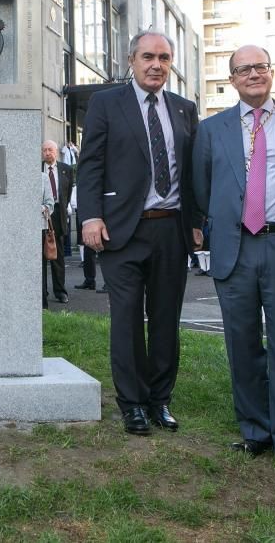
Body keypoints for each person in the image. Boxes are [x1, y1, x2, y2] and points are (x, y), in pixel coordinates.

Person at [192, 44, 275, 479]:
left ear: (272, 72)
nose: (253, 74)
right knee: (242, 345)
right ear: (231, 80)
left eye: (260, 67)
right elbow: (201, 188)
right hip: (236, 248)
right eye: (243, 69)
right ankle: (255, 430)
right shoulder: (211, 130)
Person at [79, 31, 203, 436]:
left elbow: (193, 172)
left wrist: (198, 223)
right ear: (131, 60)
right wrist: (90, 216)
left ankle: (159, 400)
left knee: (166, 319)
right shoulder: (106, 103)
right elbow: (91, 164)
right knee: (128, 318)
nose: (157, 65)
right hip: (121, 230)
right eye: (148, 56)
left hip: (171, 229)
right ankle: (132, 403)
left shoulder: (185, 109)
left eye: (165, 58)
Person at [42, 140, 73, 304]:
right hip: (41, 216)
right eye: (45, 150)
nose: (47, 153)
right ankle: (42, 293)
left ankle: (60, 292)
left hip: (58, 216)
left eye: (50, 150)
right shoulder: (36, 169)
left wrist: (61, 210)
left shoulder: (66, 170)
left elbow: (67, 194)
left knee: (58, 256)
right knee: (41, 256)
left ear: (56, 152)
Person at [41, 171, 56, 308]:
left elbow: (50, 204)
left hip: (39, 228)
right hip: (19, 230)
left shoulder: (43, 177)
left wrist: (40, 208)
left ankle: (42, 303)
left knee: (41, 267)